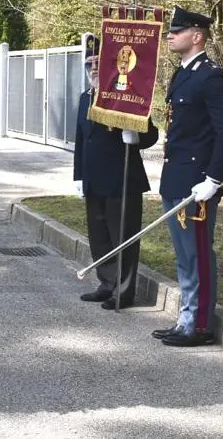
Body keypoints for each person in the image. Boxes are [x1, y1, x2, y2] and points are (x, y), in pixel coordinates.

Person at [153, 7, 223, 347]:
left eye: (177, 31)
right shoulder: (182, 74)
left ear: (197, 36)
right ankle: (186, 318)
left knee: (198, 254)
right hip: (176, 178)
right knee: (183, 254)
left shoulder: (213, 76)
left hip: (198, 184)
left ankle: (199, 325)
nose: (170, 35)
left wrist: (215, 179)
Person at [74, 36, 158, 310]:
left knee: (123, 236)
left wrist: (134, 135)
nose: (94, 68)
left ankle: (124, 291)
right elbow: (81, 141)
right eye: (89, 63)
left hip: (122, 178)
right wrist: (79, 176)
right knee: (100, 236)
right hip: (94, 178)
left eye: (98, 62)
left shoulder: (126, 94)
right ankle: (107, 283)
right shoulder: (85, 97)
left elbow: (151, 134)